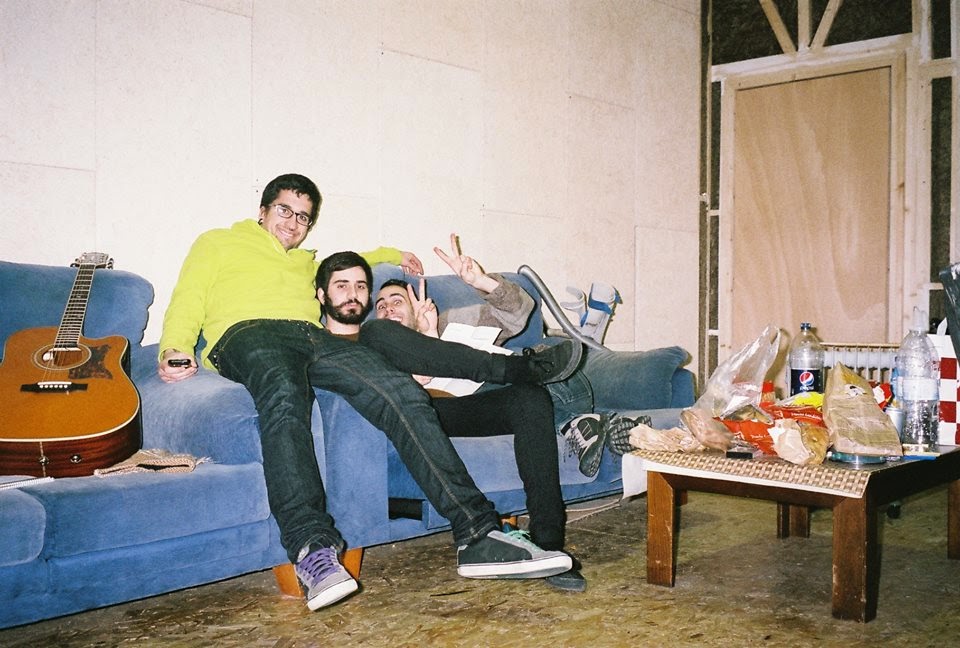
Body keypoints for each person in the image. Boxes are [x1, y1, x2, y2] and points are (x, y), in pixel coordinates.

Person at [156, 173, 582, 611]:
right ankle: (312, 549)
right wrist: (175, 346)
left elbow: (356, 261)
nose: (293, 223)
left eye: (303, 217)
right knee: (285, 397)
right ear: (262, 211)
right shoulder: (218, 242)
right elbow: (188, 296)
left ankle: (477, 533)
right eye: (284, 210)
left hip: (309, 336)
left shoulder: (306, 263)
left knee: (401, 392)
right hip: (247, 334)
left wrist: (395, 255)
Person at [317, 251, 587, 592]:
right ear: (322, 295)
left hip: (454, 408)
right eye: (343, 286)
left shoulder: (443, 325)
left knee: (529, 398)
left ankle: (548, 544)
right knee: (377, 334)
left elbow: (517, 312)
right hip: (410, 416)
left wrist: (432, 334)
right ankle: (528, 371)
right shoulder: (356, 339)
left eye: (361, 287)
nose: (385, 308)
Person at [375, 233, 688, 476]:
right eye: (381, 306)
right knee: (540, 383)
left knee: (556, 363)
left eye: (397, 301)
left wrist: (479, 281)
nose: (388, 308)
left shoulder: (452, 321)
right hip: (485, 404)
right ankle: (592, 425)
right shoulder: (375, 353)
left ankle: (587, 426)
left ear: (416, 306)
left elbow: (518, 313)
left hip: (524, 375)